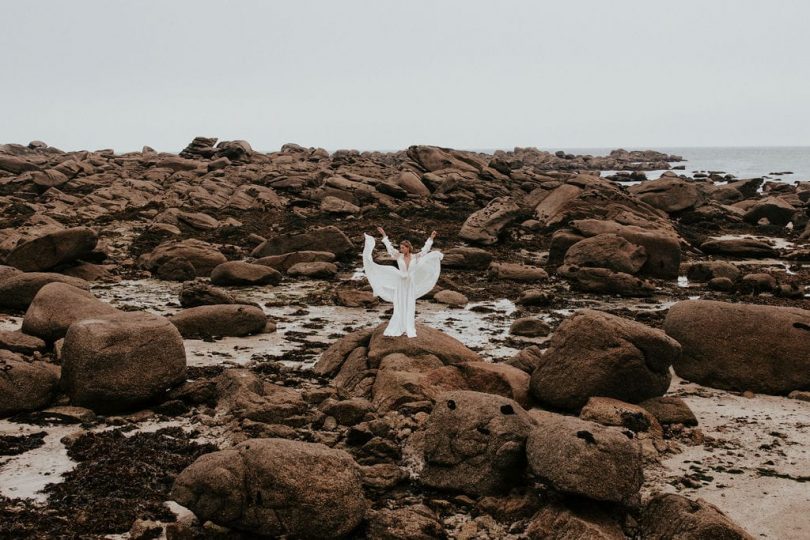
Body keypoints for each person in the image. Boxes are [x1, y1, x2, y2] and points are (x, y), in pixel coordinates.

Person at [362, 227, 443, 338]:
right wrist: (384, 235)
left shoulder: (415, 256)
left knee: (409, 304)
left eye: (403, 248)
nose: (401, 249)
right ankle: (398, 325)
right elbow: (389, 248)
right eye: (400, 248)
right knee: (399, 304)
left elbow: (425, 250)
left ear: (408, 248)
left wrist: (431, 237)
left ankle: (408, 326)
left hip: (410, 284)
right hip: (401, 283)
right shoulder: (398, 256)